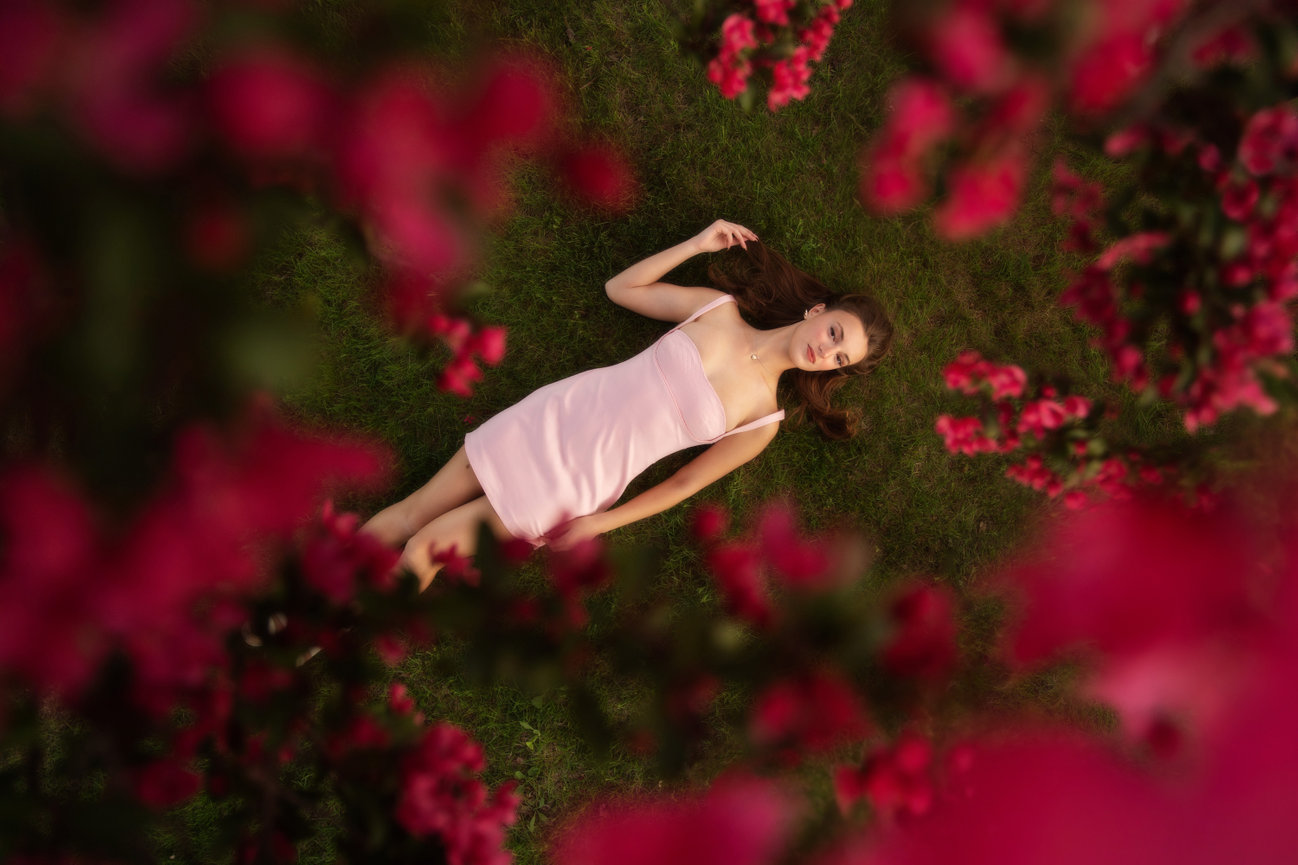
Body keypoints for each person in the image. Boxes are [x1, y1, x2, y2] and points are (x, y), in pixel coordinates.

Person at [362, 220, 893, 588]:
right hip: (550, 417)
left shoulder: (762, 419)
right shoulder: (718, 310)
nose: (826, 351)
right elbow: (622, 288)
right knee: (412, 513)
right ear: (818, 311)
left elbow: (683, 486)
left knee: (426, 549)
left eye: (839, 358)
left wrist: (602, 524)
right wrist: (696, 244)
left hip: (577, 484)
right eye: (834, 332)